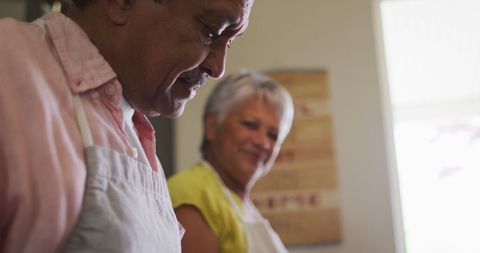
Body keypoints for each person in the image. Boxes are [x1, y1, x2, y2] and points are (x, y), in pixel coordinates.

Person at [0, 0, 254, 252]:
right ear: (119, 3)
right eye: (211, 31)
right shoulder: (10, 71)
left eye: (230, 42)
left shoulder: (130, 127)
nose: (218, 68)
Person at [168, 71, 294, 253]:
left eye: (273, 135)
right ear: (212, 126)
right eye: (250, 124)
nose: (263, 142)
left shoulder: (241, 203)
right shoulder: (191, 193)